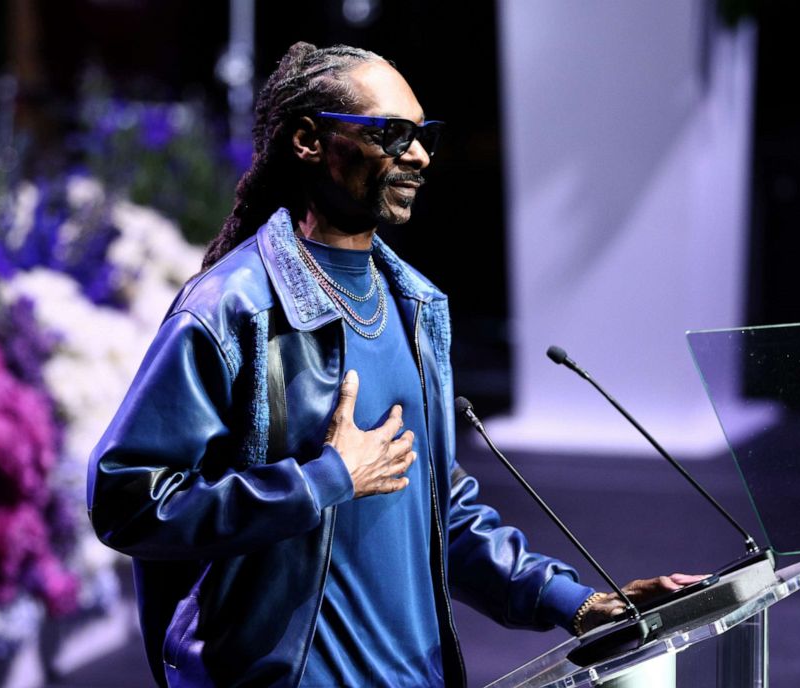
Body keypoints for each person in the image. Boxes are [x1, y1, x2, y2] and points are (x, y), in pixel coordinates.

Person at [87, 42, 699, 688]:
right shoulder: (232, 309)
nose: (419, 155)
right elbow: (129, 500)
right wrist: (323, 479)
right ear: (307, 140)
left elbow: (439, 513)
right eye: (391, 134)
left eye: (422, 134)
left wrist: (573, 604)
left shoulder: (414, 305)